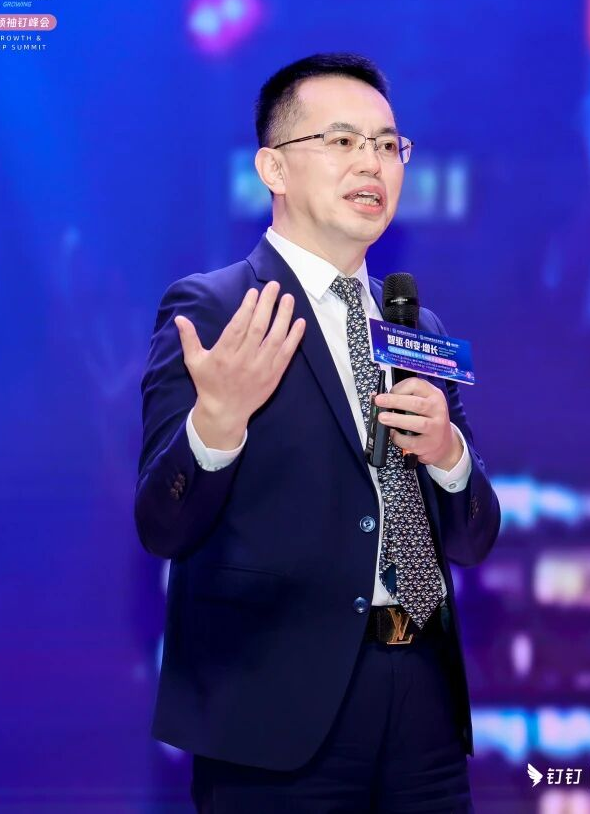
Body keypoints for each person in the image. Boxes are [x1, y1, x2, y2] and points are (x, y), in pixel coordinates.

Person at [135, 52, 501, 812]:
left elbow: (473, 539)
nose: (371, 163)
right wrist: (216, 424)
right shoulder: (216, 311)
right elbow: (161, 525)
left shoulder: (416, 327)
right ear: (273, 167)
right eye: (341, 141)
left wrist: (448, 455)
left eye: (388, 145)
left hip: (425, 704)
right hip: (275, 709)